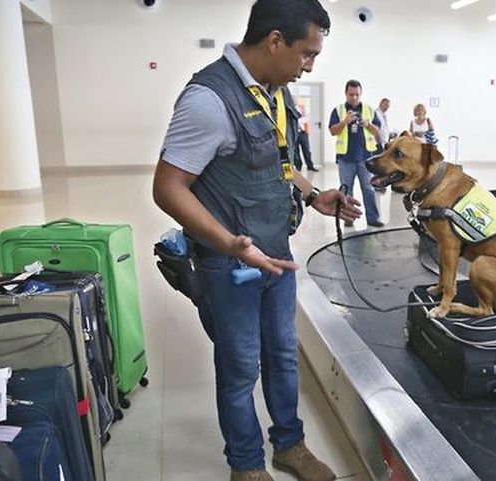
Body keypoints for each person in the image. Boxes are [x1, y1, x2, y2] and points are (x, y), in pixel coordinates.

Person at [151, 2, 362, 480]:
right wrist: (228, 243)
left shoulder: (271, 91)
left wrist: (313, 196)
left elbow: (277, 162)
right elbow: (167, 187)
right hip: (232, 267)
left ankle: (290, 446)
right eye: (306, 54)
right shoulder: (209, 99)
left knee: (284, 360)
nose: (309, 65)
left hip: (276, 259)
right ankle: (245, 465)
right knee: (240, 368)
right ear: (274, 41)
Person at [329, 79, 384, 227]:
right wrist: (344, 122)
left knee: (369, 189)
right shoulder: (339, 110)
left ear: (361, 94)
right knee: (346, 190)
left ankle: (373, 219)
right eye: (351, 94)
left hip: (366, 158)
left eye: (357, 94)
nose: (354, 97)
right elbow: (332, 131)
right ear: (346, 94)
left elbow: (377, 131)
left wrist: (368, 124)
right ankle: (348, 219)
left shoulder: (369, 110)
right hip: (345, 158)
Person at [294, 101, 318, 171]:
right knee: (295, 151)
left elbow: (305, 119)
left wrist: (301, 118)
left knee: (307, 150)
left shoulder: (303, 109)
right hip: (295, 133)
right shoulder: (292, 109)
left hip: (303, 133)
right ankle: (298, 166)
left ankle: (310, 166)